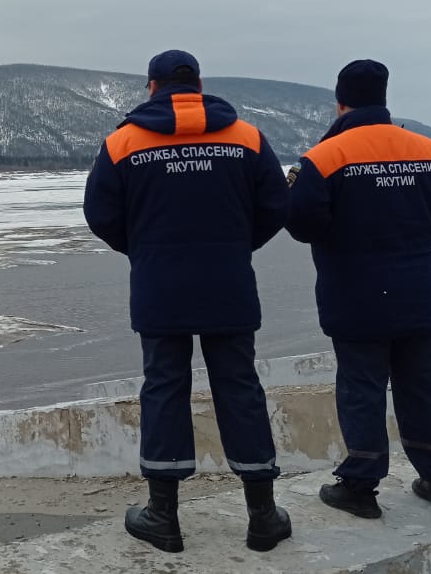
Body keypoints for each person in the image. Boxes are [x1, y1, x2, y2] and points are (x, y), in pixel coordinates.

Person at [84, 49, 292, 553]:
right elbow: (275, 206)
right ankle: (262, 516)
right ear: (198, 85)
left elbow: (100, 213)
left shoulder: (124, 141)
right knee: (240, 387)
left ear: (152, 87)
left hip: (161, 285)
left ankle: (163, 516)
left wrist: (146, 249)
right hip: (228, 282)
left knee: (164, 389)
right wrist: (235, 246)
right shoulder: (244, 136)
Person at [287, 59, 431, 519]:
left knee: (361, 388)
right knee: (422, 387)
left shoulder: (325, 156)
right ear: (384, 98)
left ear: (340, 101)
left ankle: (360, 486)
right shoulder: (430, 151)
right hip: (416, 290)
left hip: (355, 294)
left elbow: (301, 223)